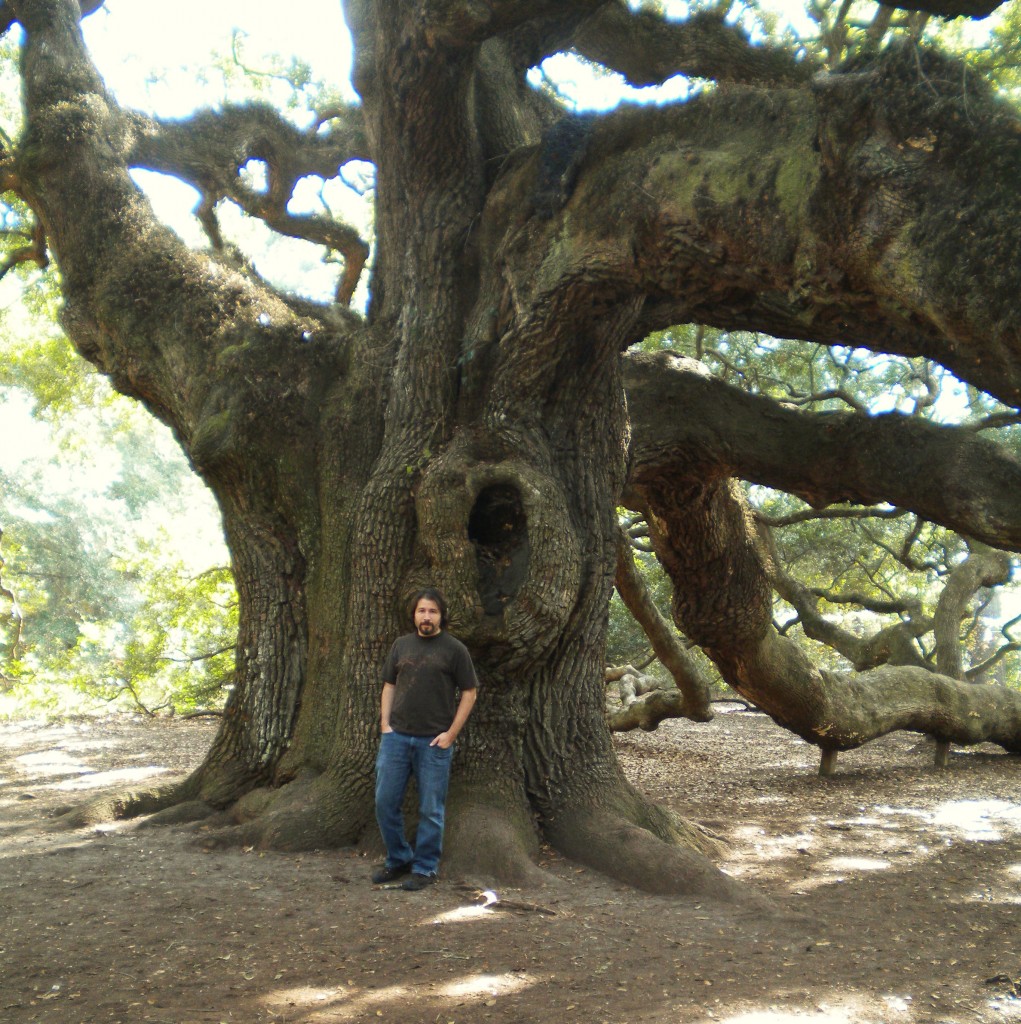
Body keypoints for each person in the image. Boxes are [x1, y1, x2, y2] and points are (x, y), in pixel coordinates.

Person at [372, 587, 478, 891]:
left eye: (432, 611)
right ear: (414, 614)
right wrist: (385, 724)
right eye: (422, 611)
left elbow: (469, 692)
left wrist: (451, 734)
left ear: (441, 615)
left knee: (431, 809)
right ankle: (399, 858)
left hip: (434, 742)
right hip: (396, 739)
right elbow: (389, 685)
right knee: (384, 802)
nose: (427, 616)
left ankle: (425, 867)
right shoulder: (401, 645)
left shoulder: (455, 649)